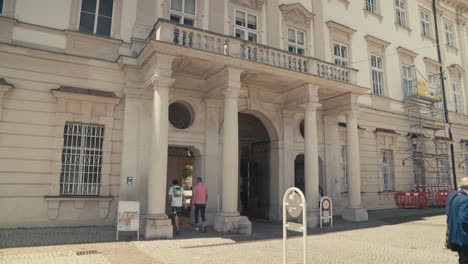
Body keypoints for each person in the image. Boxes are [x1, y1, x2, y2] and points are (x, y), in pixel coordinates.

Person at [446, 177, 468, 263]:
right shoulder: (465, 199)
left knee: (462, 259)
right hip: (464, 237)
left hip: (455, 234)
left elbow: (448, 213)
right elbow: (464, 219)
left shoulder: (453, 195)